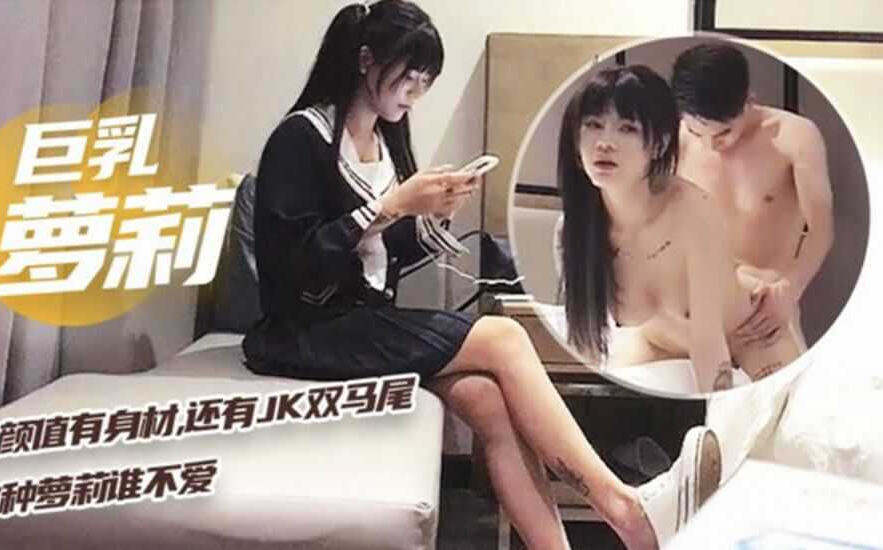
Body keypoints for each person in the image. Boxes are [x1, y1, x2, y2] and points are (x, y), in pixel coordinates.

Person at [242, 3, 720, 548]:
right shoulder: (301, 138)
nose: (415, 92)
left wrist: (431, 215)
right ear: (366, 59)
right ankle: (625, 507)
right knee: (504, 336)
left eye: (425, 80)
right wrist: (391, 207)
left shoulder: (387, 141)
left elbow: (377, 259)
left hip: (360, 322)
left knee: (487, 402)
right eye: (408, 75)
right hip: (302, 332)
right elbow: (291, 265)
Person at [556, 64, 803, 393]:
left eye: (627, 128)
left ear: (659, 144)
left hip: (750, 335)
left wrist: (710, 413)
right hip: (659, 343)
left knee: (785, 413)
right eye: (593, 125)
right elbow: (585, 338)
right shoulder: (575, 231)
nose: (605, 143)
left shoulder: (691, 210)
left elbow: (708, 341)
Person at [671, 43, 835, 366]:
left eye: (723, 133)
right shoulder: (676, 141)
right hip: (694, 301)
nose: (711, 145)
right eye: (697, 132)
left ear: (748, 101)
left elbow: (821, 229)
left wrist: (789, 291)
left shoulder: (793, 137)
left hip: (764, 303)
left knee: (786, 392)